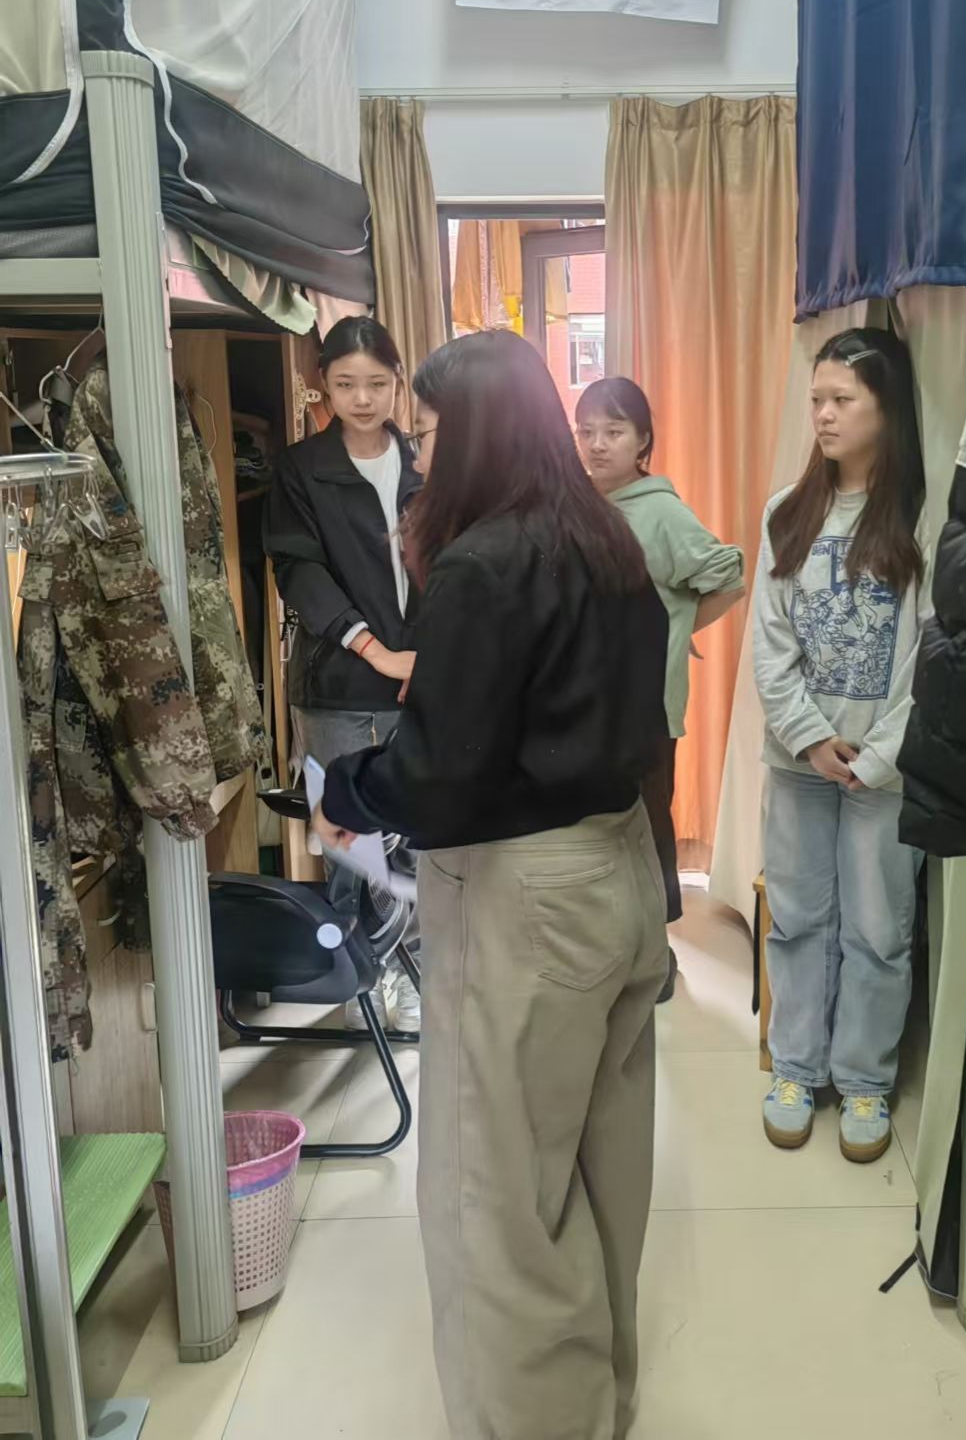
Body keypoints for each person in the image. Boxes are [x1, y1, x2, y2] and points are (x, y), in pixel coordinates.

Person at [313, 330, 670, 1440]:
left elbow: (442, 774)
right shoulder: (606, 538)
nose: (418, 455)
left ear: (474, 434)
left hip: (528, 894)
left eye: (427, 431)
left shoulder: (482, 563)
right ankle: (599, 1402)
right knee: (605, 1166)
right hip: (621, 868)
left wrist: (349, 791)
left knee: (501, 1199)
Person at [753, 327, 928, 1163]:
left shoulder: (925, 518)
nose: (821, 414)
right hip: (799, 765)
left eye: (841, 400)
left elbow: (931, 656)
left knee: (879, 930)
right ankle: (795, 1069)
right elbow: (769, 645)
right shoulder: (787, 512)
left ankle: (864, 1080)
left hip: (884, 774)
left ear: (885, 410)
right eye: (817, 399)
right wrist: (811, 738)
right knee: (797, 922)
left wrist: (880, 754)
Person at [263, 315, 423, 1032]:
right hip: (338, 682)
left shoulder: (424, 463)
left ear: (398, 384)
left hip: (423, 679)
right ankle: (359, 979)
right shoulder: (301, 469)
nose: (362, 399)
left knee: (419, 837)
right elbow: (299, 571)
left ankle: (415, 976)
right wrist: (375, 650)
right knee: (349, 839)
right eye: (346, 383)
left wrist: (435, 657)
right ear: (321, 385)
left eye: (377, 384)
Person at [576, 377, 745, 1000]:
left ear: (643, 441)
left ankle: (657, 956)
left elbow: (728, 575)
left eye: (614, 431)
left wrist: (674, 631)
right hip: (585, 702)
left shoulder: (661, 510)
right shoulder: (579, 505)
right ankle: (610, 951)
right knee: (596, 829)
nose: (597, 444)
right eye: (586, 431)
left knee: (645, 826)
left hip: (645, 706)